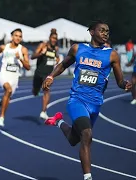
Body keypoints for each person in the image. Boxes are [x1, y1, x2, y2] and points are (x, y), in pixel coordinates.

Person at [42, 20, 132, 180]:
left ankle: (58, 121)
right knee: (87, 134)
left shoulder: (112, 55)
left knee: (73, 139)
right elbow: (63, 65)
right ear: (91, 32)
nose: (105, 33)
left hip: (95, 104)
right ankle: (88, 177)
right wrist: (50, 76)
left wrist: (125, 84)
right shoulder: (78, 49)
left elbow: (119, 81)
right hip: (77, 100)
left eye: (107, 31)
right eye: (102, 30)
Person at [0, 28, 30, 127]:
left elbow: (28, 67)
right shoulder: (4, 47)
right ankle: (1, 118)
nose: (18, 38)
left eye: (20, 36)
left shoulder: (23, 50)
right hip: (4, 74)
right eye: (16, 35)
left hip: (15, 77)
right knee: (7, 91)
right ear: (12, 37)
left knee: (7, 97)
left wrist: (20, 58)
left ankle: (0, 103)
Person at [31, 28, 60, 120]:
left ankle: (43, 111)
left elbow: (57, 57)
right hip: (39, 73)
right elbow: (32, 56)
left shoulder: (56, 48)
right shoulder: (43, 45)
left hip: (48, 74)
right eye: (53, 38)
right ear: (50, 38)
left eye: (55, 39)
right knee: (35, 92)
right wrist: (41, 53)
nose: (54, 40)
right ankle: (35, 90)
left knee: (47, 91)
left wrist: (57, 60)